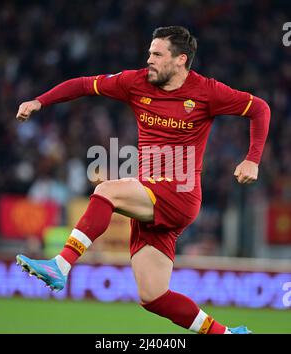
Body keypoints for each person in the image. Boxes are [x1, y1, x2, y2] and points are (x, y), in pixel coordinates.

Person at [16, 26, 270, 334]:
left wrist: (252, 159)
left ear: (181, 60)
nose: (148, 59)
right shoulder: (135, 82)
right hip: (149, 195)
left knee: (107, 189)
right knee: (153, 296)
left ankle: (61, 265)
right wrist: (40, 101)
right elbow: (84, 85)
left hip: (179, 193)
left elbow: (260, 108)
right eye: (149, 52)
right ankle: (227, 334)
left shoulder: (207, 92)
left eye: (157, 54)